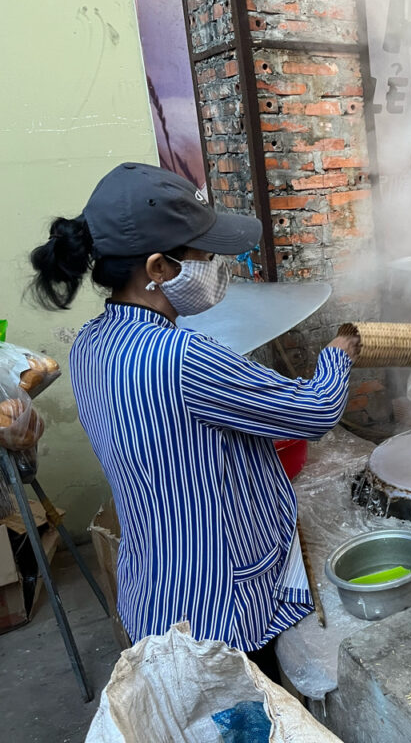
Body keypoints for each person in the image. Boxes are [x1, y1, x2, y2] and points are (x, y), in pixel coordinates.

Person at [28, 163, 360, 666]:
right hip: (219, 610)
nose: (217, 267)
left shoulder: (90, 345)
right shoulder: (183, 358)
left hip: (155, 594)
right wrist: (339, 354)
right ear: (159, 269)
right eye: (206, 256)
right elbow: (315, 412)